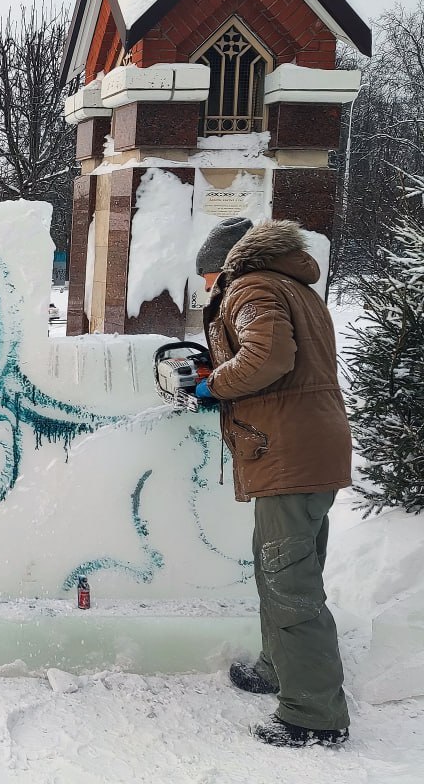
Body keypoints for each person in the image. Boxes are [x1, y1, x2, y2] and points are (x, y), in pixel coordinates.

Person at [194, 216, 351, 747]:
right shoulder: (292, 286)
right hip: (305, 448)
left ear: (222, 266)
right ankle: (276, 668)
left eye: (208, 279)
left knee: (289, 581)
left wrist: (215, 383)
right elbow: (282, 354)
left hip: (290, 454)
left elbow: (270, 356)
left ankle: (313, 713)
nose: (208, 289)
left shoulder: (253, 286)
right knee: (283, 568)